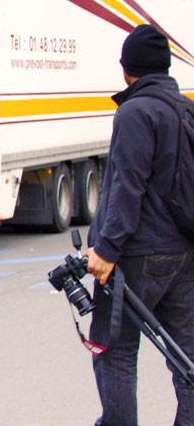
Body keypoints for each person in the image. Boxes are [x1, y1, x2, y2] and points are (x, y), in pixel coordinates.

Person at [83, 24, 194, 426]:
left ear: (128, 68)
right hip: (182, 253)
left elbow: (125, 186)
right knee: (187, 361)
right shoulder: (185, 108)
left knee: (114, 354)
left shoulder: (135, 111)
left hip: (137, 257)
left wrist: (106, 250)